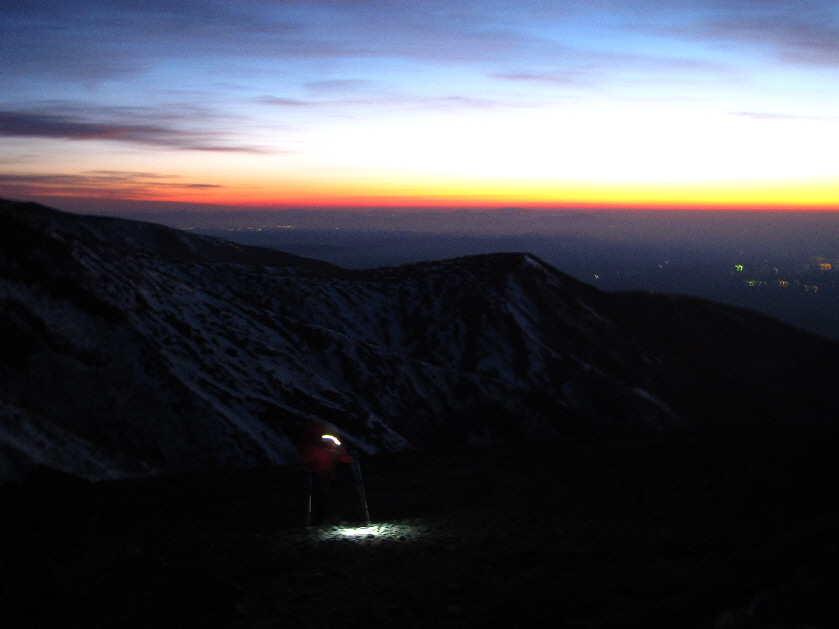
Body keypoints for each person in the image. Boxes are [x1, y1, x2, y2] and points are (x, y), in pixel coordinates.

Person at [298, 420, 354, 526]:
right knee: (321, 495)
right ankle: (320, 520)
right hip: (319, 473)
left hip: (327, 472)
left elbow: (340, 454)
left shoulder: (315, 441)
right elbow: (307, 456)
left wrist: (348, 460)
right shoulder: (319, 441)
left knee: (328, 495)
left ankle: (325, 519)